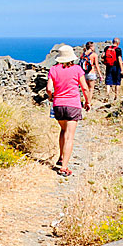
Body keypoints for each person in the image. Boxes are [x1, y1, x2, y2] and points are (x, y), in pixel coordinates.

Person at [46, 44, 90, 177]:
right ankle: (64, 167)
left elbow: (49, 88)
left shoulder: (53, 69)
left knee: (63, 130)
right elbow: (85, 88)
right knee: (70, 136)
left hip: (58, 105)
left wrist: (51, 97)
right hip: (73, 105)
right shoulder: (77, 69)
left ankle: (61, 157)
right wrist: (87, 102)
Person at [78, 41, 101, 105]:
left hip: (84, 73)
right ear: (91, 47)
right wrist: (100, 74)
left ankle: (86, 100)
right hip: (91, 73)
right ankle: (88, 102)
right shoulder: (94, 55)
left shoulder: (82, 54)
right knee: (91, 89)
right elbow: (96, 65)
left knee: (86, 88)